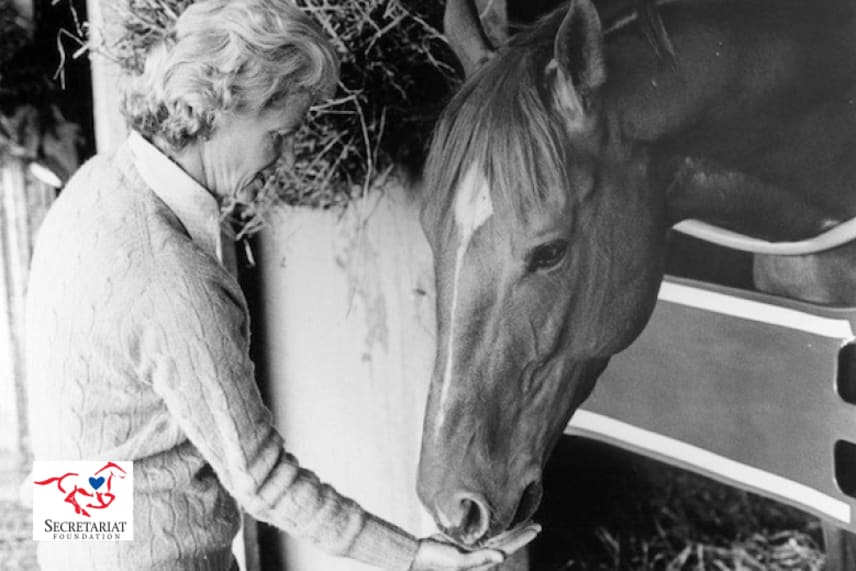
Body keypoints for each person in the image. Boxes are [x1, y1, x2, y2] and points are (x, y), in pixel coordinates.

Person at [24, 0, 539, 569]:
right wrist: (414, 555)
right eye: (281, 132)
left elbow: (83, 426)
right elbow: (262, 479)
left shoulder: (94, 190)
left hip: (72, 547)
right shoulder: (174, 280)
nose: (286, 154)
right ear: (221, 109)